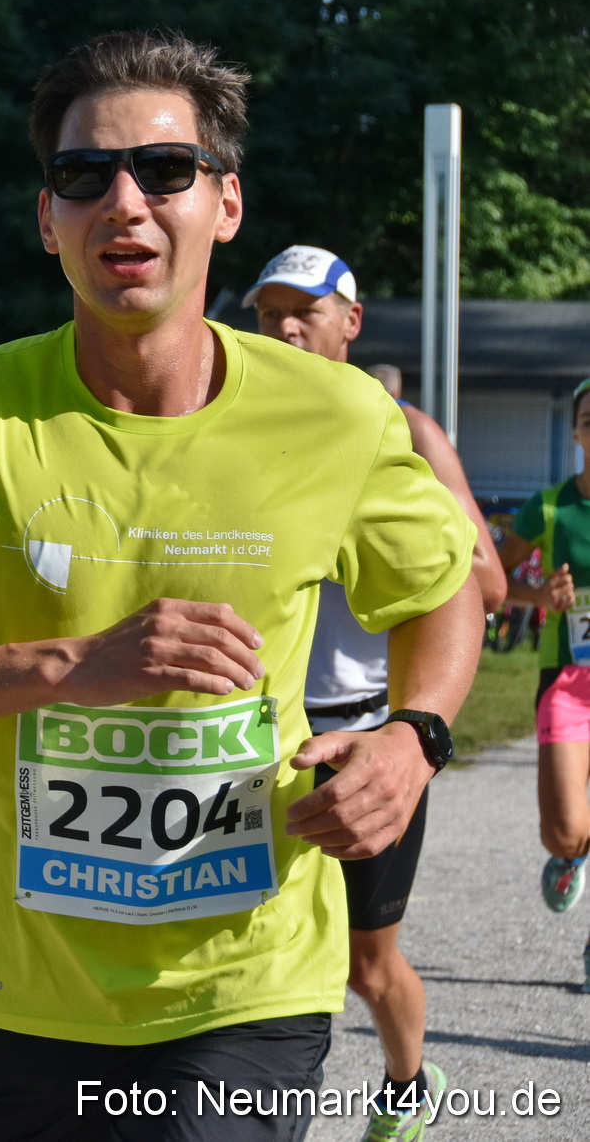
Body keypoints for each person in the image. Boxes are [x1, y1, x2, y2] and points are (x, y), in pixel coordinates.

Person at [0, 30, 482, 1142]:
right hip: (20, 987)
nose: (125, 202)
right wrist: (72, 666)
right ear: (44, 217)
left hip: (248, 980)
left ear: (226, 203)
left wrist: (414, 738)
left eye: (164, 170)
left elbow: (444, 590)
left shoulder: (337, 417)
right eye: (81, 176)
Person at [248, 245, 507, 1140]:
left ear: (350, 323)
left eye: (304, 310)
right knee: (255, 960)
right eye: (268, 310)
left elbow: (490, 584)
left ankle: (408, 1083)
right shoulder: (234, 423)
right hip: (261, 741)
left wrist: (377, 545)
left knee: (366, 962)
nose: (283, 326)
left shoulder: (405, 430)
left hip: (364, 736)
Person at [492, 375, 590, 993]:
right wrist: (538, 595)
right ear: (578, 431)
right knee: (563, 827)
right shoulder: (549, 506)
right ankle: (571, 853)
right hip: (568, 681)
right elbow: (491, 576)